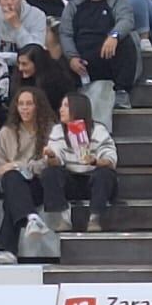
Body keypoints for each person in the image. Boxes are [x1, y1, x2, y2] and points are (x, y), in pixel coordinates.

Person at [59, 0, 138, 110]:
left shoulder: (117, 0)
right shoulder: (75, 4)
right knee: (58, 58)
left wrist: (114, 36)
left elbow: (127, 20)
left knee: (127, 41)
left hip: (108, 55)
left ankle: (121, 92)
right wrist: (72, 57)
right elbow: (65, 33)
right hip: (81, 59)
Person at [40, 91, 118, 233]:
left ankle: (95, 218)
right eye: (61, 106)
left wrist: (95, 161)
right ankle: (64, 218)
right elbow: (57, 160)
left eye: (66, 106)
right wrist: (51, 156)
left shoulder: (98, 130)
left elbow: (110, 161)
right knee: (49, 173)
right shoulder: (58, 130)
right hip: (71, 180)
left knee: (105, 174)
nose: (61, 110)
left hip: (93, 179)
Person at [0, 86, 52, 265]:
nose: (24, 108)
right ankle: (32, 218)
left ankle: (6, 247)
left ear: (38, 106)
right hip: (14, 183)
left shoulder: (51, 130)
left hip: (40, 184)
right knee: (12, 179)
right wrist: (15, 169)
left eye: (29, 104)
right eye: (21, 104)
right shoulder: (7, 132)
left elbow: (47, 163)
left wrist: (20, 165)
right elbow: (0, 169)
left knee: (14, 194)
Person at [13, 43, 76, 117]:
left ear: (37, 63)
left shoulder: (58, 80)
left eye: (24, 64)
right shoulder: (17, 79)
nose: (20, 68)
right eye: (19, 64)